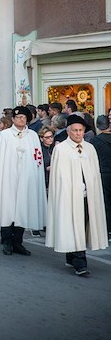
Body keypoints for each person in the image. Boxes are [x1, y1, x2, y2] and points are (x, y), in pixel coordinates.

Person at [46, 115, 108, 275]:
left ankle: (73, 256)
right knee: (72, 223)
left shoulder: (89, 148)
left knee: (83, 223)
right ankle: (80, 261)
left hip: (87, 195)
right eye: (75, 130)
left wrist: (91, 187)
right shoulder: (61, 149)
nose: (78, 134)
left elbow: (94, 171)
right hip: (69, 194)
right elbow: (59, 175)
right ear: (68, 131)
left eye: (81, 130)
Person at [0, 106, 46, 256]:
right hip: (8, 178)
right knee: (8, 210)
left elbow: (38, 158)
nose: (20, 120)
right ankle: (7, 242)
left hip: (26, 179)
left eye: (23, 118)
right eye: (17, 118)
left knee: (22, 210)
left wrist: (34, 175)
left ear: (27, 119)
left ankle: (18, 242)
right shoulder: (5, 135)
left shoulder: (33, 136)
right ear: (13, 119)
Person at [89, 115, 111, 239]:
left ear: (98, 126)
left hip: (103, 173)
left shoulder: (95, 141)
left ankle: (107, 229)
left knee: (105, 202)